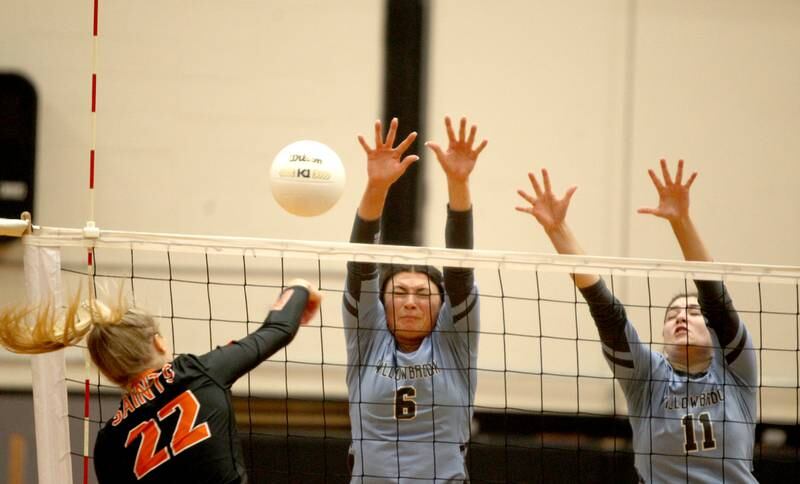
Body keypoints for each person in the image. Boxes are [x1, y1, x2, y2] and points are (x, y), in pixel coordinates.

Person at [516, 160, 757, 482]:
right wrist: (558, 231)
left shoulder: (735, 370)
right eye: (672, 315)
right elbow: (608, 315)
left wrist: (681, 222)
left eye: (693, 312)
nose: (681, 317)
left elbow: (715, 296)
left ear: (714, 333)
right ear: (663, 336)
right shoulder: (648, 377)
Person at [0, 279, 321, 484]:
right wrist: (299, 287)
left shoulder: (109, 442)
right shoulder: (196, 372)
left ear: (110, 372)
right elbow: (277, 330)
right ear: (158, 343)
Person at [343, 116, 486, 482]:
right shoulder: (368, 338)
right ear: (381, 305)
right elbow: (361, 266)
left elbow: (458, 270)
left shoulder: (453, 343)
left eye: (423, 294)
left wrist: (458, 183)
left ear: (441, 308)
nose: (410, 302)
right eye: (399, 293)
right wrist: (376, 186)